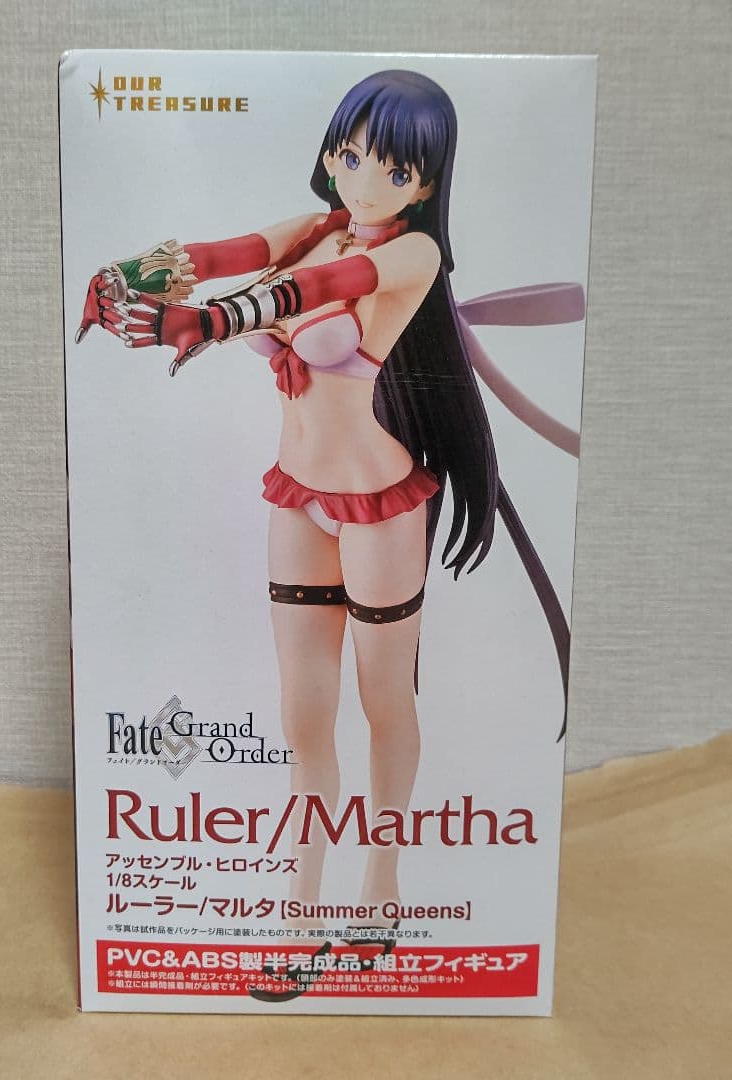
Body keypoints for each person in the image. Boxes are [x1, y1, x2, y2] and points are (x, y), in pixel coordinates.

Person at [77, 68, 581, 1000]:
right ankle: (300, 914)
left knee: (384, 704)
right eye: (349, 154)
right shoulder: (316, 225)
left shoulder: (413, 255)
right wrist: (130, 277)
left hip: (380, 505)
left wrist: (212, 320)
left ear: (425, 182)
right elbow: (231, 250)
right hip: (296, 497)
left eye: (392, 167)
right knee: (303, 716)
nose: (363, 178)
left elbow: (321, 289)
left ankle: (380, 885)